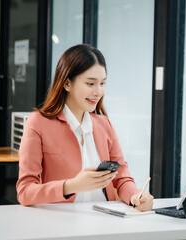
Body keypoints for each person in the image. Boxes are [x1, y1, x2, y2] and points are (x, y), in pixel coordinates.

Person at [16, 44, 153, 211]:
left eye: (102, 83)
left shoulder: (104, 124)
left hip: (105, 221)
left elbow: (122, 178)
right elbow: (25, 191)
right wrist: (71, 186)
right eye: (90, 83)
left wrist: (135, 196)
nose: (98, 91)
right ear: (67, 84)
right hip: (59, 223)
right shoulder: (38, 122)